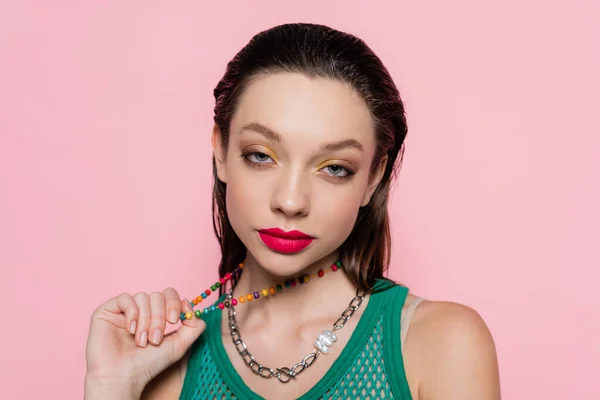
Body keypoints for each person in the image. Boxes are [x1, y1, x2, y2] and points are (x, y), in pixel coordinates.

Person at [84, 23, 501, 400]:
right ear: (221, 151)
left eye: (334, 168)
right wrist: (112, 388)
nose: (291, 201)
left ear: (373, 177)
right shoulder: (165, 360)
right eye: (261, 156)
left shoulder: (440, 344)